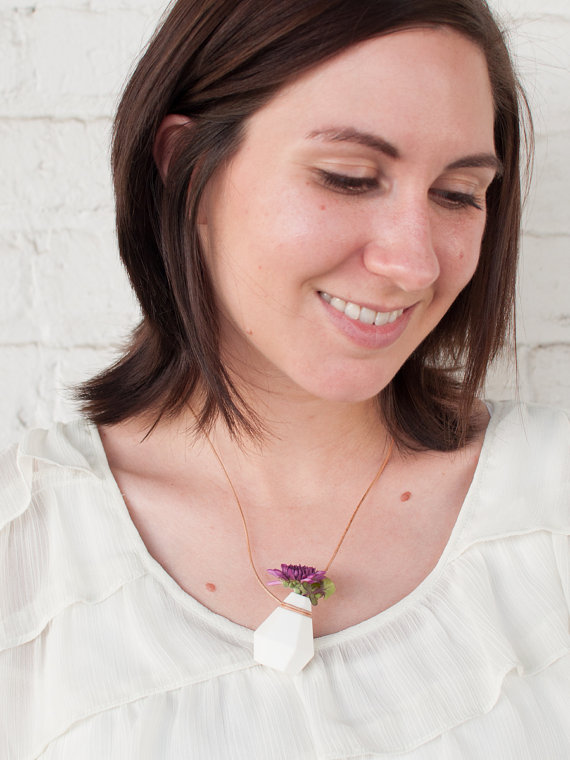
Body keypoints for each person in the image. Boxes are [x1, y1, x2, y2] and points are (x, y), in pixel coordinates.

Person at [1, 0, 568, 757]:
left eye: (458, 194)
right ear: (188, 168)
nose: (414, 263)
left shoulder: (551, 499)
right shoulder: (26, 536)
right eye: (349, 177)